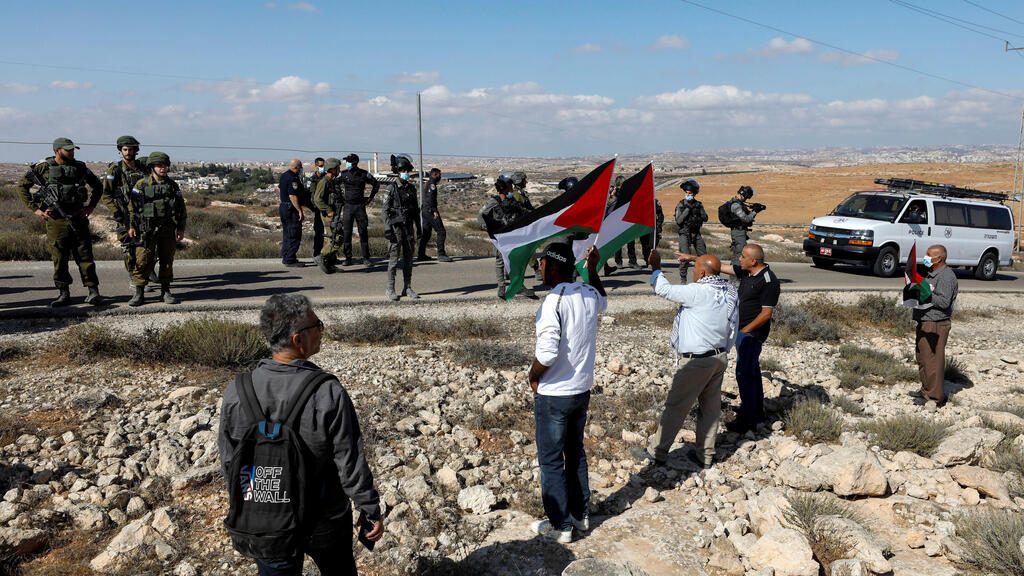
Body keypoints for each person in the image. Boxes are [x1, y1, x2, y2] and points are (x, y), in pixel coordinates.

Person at [218, 294, 383, 575]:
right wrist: (369, 508)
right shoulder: (327, 392)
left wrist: (253, 504)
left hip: (267, 519)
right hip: (326, 517)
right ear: (298, 340)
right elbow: (349, 461)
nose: (321, 331)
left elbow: (230, 460)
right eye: (317, 325)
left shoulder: (237, 390)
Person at [528, 243, 606, 543]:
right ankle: (580, 515)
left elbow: (547, 353)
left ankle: (561, 526)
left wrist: (532, 377)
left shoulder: (554, 301)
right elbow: (603, 301)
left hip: (555, 394)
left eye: (542, 263)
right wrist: (594, 269)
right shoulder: (587, 293)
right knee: (575, 454)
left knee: (550, 460)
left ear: (554, 266)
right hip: (581, 390)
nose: (539, 268)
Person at [647, 250, 737, 468]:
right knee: (710, 410)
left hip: (696, 361)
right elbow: (733, 326)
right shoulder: (729, 292)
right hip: (718, 357)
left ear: (704, 272)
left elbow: (663, 289)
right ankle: (705, 455)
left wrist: (655, 267)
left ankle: (657, 452)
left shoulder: (699, 291)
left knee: (676, 406)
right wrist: (724, 349)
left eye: (696, 269)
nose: (694, 273)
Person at [16, 137, 104, 307]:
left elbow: (97, 186)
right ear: (57, 151)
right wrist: (36, 209)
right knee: (59, 258)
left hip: (78, 218)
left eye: (73, 150)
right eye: (68, 150)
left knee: (85, 256)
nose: (72, 152)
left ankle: (93, 291)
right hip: (56, 220)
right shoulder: (43, 168)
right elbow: (22, 186)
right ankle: (64, 293)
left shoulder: (80, 167)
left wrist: (91, 206)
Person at [127, 151, 186, 306]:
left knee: (167, 260)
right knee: (143, 260)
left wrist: (180, 228)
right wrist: (132, 226)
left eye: (165, 165)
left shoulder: (172, 186)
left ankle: (165, 291)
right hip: (146, 229)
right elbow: (132, 208)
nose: (163, 169)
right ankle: (139, 293)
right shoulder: (141, 184)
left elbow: (181, 209)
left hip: (167, 229)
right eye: (159, 165)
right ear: (152, 167)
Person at [914, 244, 958, 406]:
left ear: (939, 258)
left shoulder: (946, 276)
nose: (925, 258)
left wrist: (925, 294)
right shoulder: (931, 273)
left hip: (936, 324)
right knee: (923, 359)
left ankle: (934, 397)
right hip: (925, 321)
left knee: (933, 362)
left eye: (928, 255)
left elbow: (944, 301)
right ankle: (925, 390)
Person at [479, 177, 533, 299]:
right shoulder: (494, 202)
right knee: (500, 262)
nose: (512, 189)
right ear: (504, 189)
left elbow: (521, 212)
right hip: (500, 237)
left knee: (515, 261)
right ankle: (502, 288)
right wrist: (489, 229)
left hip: (512, 236)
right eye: (510, 188)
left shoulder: (512, 200)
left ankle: (518, 286)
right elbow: (481, 215)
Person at [102, 135, 149, 277]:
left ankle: (147, 271)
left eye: (131, 149)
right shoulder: (115, 170)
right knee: (129, 246)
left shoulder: (143, 168)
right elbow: (106, 195)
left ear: (137, 150)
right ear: (120, 150)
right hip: (125, 214)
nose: (128, 152)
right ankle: (133, 276)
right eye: (125, 149)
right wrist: (116, 212)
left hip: (144, 212)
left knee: (148, 245)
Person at [382, 155, 421, 301]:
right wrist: (387, 228)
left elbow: (416, 210)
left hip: (408, 228)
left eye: (407, 170)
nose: (406, 173)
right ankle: (390, 289)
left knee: (409, 259)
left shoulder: (411, 188)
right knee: (393, 260)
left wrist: (419, 227)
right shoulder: (391, 188)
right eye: (403, 170)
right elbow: (384, 210)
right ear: (398, 171)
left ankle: (407, 287)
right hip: (395, 228)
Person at [337, 153, 379, 267]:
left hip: (360, 207)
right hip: (348, 207)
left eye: (349, 162)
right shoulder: (344, 174)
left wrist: (370, 197)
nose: (347, 164)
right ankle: (348, 258)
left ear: (354, 163)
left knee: (363, 232)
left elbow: (376, 184)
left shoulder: (364, 174)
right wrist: (341, 198)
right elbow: (334, 185)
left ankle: (366, 258)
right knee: (347, 233)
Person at [312, 158, 343, 274]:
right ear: (332, 169)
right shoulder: (324, 182)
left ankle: (329, 264)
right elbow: (317, 199)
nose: (339, 170)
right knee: (337, 238)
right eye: (337, 168)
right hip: (328, 215)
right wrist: (328, 210)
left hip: (334, 213)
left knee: (336, 237)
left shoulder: (332, 181)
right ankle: (321, 256)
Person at [674, 178, 708, 283]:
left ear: (694, 194)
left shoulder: (698, 204)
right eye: (687, 193)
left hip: (696, 233)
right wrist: (687, 209)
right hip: (685, 232)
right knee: (685, 256)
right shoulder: (681, 205)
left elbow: (705, 218)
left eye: (690, 193)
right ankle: (683, 279)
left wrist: (699, 210)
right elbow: (678, 221)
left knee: (703, 256)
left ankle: (704, 277)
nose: (688, 195)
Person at [723, 186, 764, 268]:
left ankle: (735, 275)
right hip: (738, 233)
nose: (746, 200)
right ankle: (735, 277)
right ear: (743, 195)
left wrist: (753, 208)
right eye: (746, 197)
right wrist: (755, 211)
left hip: (740, 232)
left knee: (738, 253)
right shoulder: (736, 205)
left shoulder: (739, 204)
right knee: (739, 254)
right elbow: (746, 219)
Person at [417, 167, 452, 262]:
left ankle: (421, 254)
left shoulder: (427, 183)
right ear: (435, 174)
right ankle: (441, 254)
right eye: (439, 175)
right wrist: (434, 210)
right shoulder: (432, 185)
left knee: (427, 233)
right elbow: (430, 199)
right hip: (430, 211)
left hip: (425, 211)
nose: (440, 177)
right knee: (441, 232)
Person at [605, 176, 637, 273]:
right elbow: (608, 205)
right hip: (617, 221)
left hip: (627, 220)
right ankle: (618, 262)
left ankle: (632, 261)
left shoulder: (627, 192)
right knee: (618, 243)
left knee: (631, 242)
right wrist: (612, 194)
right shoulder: (613, 194)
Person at [278, 159, 305, 267]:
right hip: (291, 209)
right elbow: (292, 196)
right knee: (294, 233)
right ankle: (289, 258)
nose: (301, 169)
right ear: (296, 167)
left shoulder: (284, 175)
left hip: (284, 207)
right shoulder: (292, 178)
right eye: (300, 167)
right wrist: (299, 210)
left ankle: (287, 256)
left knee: (287, 233)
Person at [304, 157, 327, 259]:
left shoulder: (327, 177)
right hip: (318, 210)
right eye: (320, 166)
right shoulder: (312, 180)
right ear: (316, 166)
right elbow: (308, 195)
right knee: (319, 232)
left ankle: (329, 254)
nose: (322, 168)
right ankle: (317, 254)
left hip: (328, 208)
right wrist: (313, 208)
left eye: (323, 166)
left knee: (332, 232)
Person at [638, 198, 665, 268]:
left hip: (653, 226)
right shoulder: (639, 201)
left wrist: (659, 225)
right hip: (642, 227)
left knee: (652, 245)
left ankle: (651, 261)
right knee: (645, 245)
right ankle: (647, 259)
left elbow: (660, 214)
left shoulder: (655, 201)